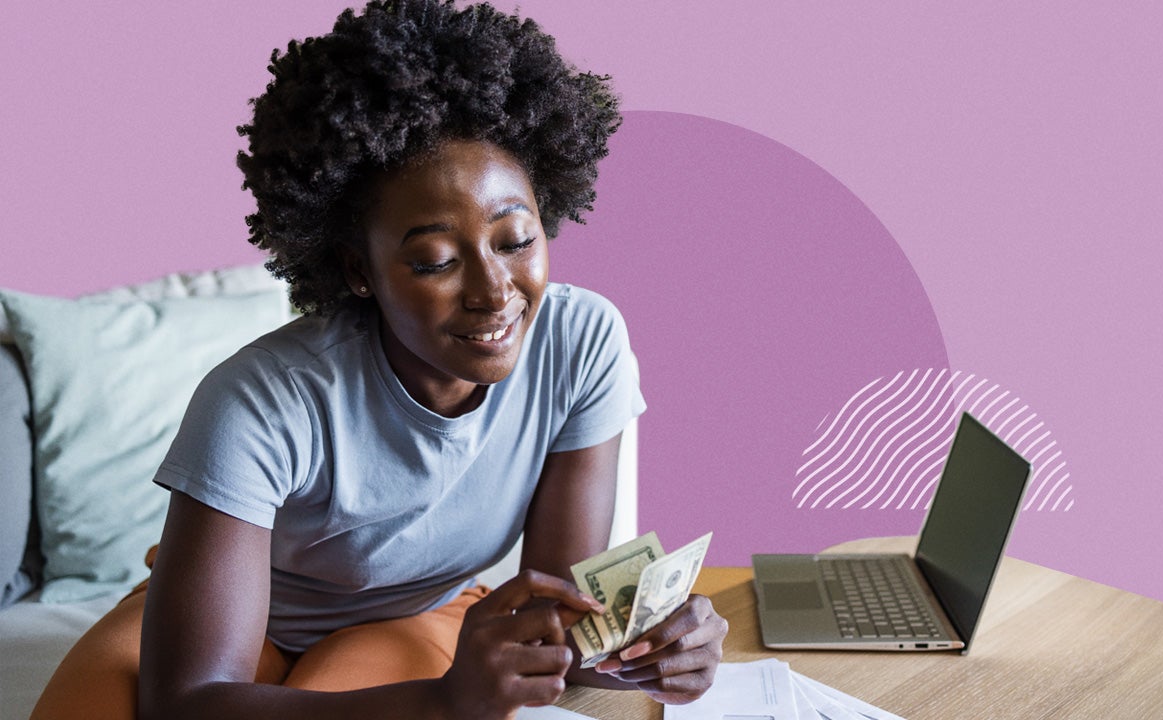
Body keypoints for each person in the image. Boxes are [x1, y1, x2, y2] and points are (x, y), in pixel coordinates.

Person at [30, 1, 727, 718]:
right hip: (226, 634)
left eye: (516, 241)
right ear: (357, 270)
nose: (495, 293)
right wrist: (446, 701)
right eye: (434, 260)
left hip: (421, 615)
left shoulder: (581, 344)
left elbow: (557, 621)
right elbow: (189, 699)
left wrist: (656, 653)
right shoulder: (261, 400)